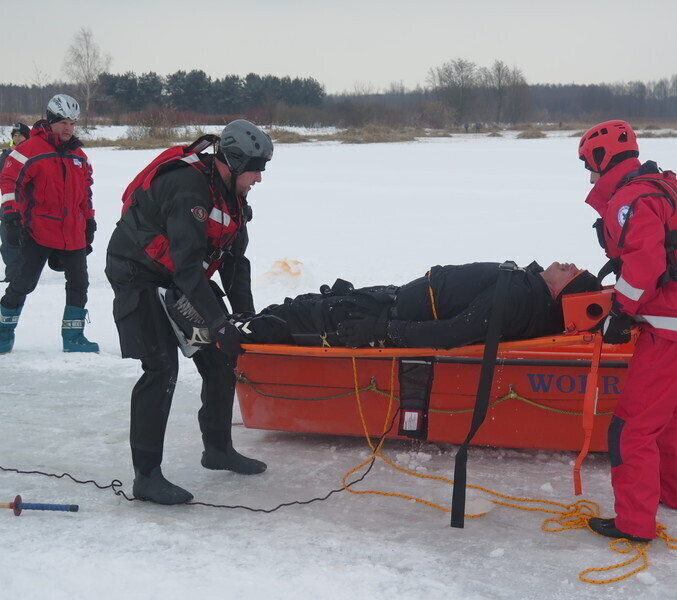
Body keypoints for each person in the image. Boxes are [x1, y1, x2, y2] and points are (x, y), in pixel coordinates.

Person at [105, 119, 273, 505]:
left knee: (221, 356)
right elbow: (185, 268)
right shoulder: (189, 188)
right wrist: (216, 321)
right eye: (255, 169)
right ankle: (146, 477)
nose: (259, 179)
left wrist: (243, 318)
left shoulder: (232, 197)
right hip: (137, 273)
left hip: (180, 275)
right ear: (234, 162)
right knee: (161, 366)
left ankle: (218, 450)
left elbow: (235, 262)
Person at [577, 120, 677, 542]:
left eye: (589, 166)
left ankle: (634, 524)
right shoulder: (665, 186)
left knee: (631, 428)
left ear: (602, 159)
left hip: (672, 330)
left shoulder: (630, 198)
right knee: (669, 418)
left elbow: (646, 265)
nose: (589, 177)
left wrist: (620, 313)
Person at [174, 261, 601, 350]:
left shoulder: (520, 297)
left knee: (298, 319)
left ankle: (205, 332)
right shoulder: (526, 286)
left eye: (571, 271)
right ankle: (225, 322)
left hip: (382, 317)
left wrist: (381, 332)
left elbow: (457, 332)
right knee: (303, 304)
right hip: (390, 300)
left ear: (561, 294)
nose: (567, 263)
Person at [0, 97, 98, 355]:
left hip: (73, 231)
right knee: (23, 283)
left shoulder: (79, 156)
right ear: (51, 121)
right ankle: (3, 332)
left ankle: (74, 337)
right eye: (63, 122)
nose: (68, 128)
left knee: (79, 283)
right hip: (38, 230)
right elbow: (9, 182)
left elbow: (86, 193)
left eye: (72, 124)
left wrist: (89, 221)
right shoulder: (29, 150)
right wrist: (11, 216)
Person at [0, 122, 30, 283]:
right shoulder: (6, 156)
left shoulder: (33, 154)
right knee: (8, 240)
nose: (17, 138)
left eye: (21, 135)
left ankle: (27, 273)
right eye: (15, 135)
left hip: (29, 206)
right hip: (9, 204)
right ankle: (12, 275)